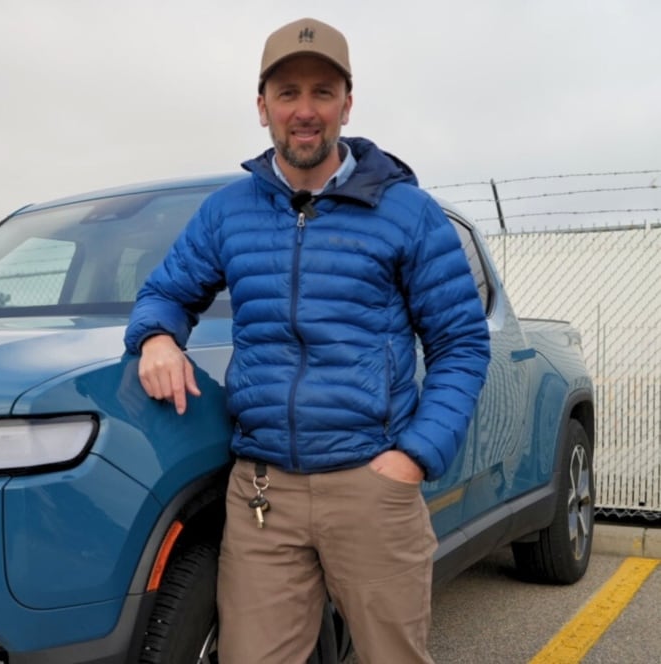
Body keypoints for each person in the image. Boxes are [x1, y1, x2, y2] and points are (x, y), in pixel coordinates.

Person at [123, 17, 491, 664]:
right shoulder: (227, 213)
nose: (305, 111)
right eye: (287, 93)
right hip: (265, 494)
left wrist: (414, 458)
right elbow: (166, 292)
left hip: (372, 484)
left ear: (347, 103)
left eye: (323, 92)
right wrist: (156, 338)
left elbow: (460, 343)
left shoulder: (406, 212)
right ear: (261, 105)